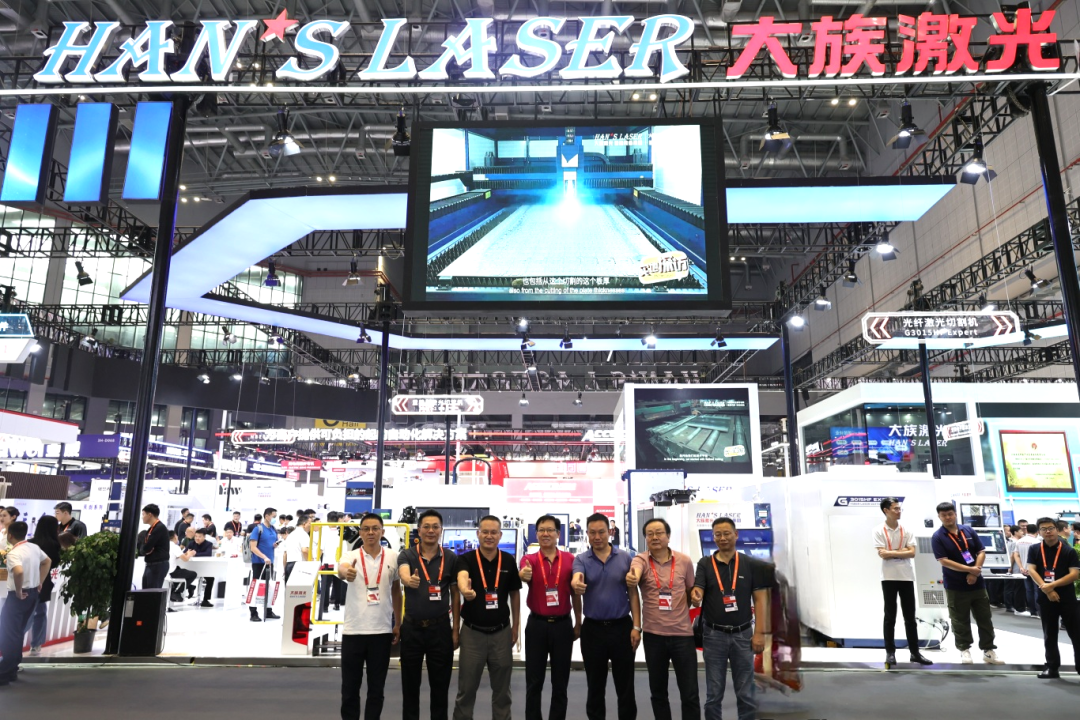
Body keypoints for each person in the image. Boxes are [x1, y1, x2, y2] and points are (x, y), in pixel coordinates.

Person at [691, 517, 773, 720]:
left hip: (743, 635)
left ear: (736, 535)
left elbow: (761, 600)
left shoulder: (751, 564)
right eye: (717, 534)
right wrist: (696, 595)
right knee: (713, 694)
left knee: (746, 693)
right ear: (713, 537)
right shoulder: (705, 563)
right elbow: (698, 587)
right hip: (713, 635)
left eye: (727, 533)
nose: (722, 538)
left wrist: (760, 633)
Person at [627, 518, 699, 720]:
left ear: (668, 536)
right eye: (650, 534)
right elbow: (635, 572)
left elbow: (690, 591)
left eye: (659, 532)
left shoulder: (684, 561)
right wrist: (633, 577)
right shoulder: (640, 560)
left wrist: (694, 598)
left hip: (682, 636)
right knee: (658, 692)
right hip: (654, 637)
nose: (655, 537)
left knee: (690, 693)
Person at [453, 515, 522, 720]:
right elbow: (462, 577)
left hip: (501, 633)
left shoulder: (508, 560)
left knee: (502, 691)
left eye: (493, 532)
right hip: (472, 633)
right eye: (485, 532)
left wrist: (515, 627)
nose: (489, 536)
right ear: (478, 534)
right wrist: (465, 590)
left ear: (500, 535)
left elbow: (515, 594)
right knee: (466, 689)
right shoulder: (466, 559)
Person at [573, 513, 639, 720]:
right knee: (595, 686)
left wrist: (637, 627)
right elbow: (577, 577)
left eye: (601, 532)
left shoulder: (625, 558)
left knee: (625, 685)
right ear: (587, 534)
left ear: (609, 532)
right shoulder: (581, 559)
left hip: (622, 628)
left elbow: (633, 594)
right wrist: (576, 583)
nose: (597, 537)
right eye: (592, 533)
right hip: (593, 630)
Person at [337, 513, 402, 720]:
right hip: (354, 631)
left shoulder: (393, 556)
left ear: (382, 531)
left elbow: (396, 591)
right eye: (366, 529)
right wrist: (346, 572)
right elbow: (341, 569)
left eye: (375, 528)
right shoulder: (350, 556)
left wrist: (398, 623)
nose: (371, 532)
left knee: (376, 689)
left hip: (381, 631)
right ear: (360, 532)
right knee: (350, 688)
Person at [398, 509, 460, 720]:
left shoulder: (450, 558)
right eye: (426, 526)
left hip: (440, 629)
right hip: (412, 629)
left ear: (441, 530)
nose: (431, 531)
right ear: (419, 530)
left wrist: (455, 630)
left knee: (440, 687)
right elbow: (403, 571)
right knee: (410, 687)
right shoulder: (408, 555)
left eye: (435, 527)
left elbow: (455, 595)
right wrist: (408, 580)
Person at [519, 515, 581, 720]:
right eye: (541, 530)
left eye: (550, 530)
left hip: (563, 626)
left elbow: (576, 594)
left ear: (558, 534)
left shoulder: (571, 560)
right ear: (536, 534)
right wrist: (523, 575)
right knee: (533, 681)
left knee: (560, 682)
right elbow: (523, 573)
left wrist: (578, 622)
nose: (545, 534)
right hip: (537, 625)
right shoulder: (529, 560)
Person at [930, 502, 1003, 664]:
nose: (948, 517)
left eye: (950, 514)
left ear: (955, 514)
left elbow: (981, 551)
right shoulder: (938, 537)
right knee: (959, 620)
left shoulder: (968, 530)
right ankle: (964, 650)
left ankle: (988, 650)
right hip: (955, 585)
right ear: (939, 517)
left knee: (985, 618)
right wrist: (969, 570)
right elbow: (944, 561)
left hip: (977, 584)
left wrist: (975, 571)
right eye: (944, 515)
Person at [872, 497, 932, 667]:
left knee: (910, 617)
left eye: (899, 509)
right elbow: (882, 554)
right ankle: (890, 653)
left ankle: (915, 652)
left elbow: (912, 553)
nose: (899, 511)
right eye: (895, 508)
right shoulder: (878, 530)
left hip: (906, 576)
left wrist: (891, 552)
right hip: (888, 577)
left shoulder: (907, 529)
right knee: (890, 616)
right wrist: (901, 551)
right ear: (886, 510)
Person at [1024, 517, 1080, 678]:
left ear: (1056, 529)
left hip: (1067, 597)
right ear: (1039, 532)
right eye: (1044, 529)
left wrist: (1052, 586)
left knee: (1076, 633)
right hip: (1045, 597)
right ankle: (1052, 667)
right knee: (1049, 633)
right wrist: (1047, 590)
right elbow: (1032, 570)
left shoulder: (1068, 550)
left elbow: (1074, 574)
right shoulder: (1034, 549)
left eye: (1051, 528)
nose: (1048, 531)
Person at [0, 522, 50, 685]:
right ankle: (11, 669)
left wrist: (18, 590)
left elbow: (19, 571)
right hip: (33, 594)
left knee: (9, 633)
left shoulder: (14, 553)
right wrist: (40, 581)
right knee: (17, 632)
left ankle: (5, 672)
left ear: (10, 535)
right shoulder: (34, 547)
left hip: (18, 597)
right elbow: (47, 561)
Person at [25, 515, 62, 656]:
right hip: (44, 581)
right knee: (39, 612)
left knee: (29, 612)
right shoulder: (53, 545)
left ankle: (15, 641)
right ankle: (36, 644)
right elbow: (54, 563)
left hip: (28, 580)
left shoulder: (30, 543)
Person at [248, 507, 280, 621]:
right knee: (256, 587)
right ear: (267, 516)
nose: (275, 519)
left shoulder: (273, 529)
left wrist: (275, 545)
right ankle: (253, 613)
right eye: (273, 516)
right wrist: (264, 557)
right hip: (259, 562)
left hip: (269, 562)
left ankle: (268, 611)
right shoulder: (258, 529)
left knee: (269, 587)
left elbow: (270, 543)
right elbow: (253, 547)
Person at [139, 503, 171, 589]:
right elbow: (145, 548)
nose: (142, 517)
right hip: (151, 564)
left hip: (158, 565)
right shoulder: (152, 528)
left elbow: (146, 548)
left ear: (150, 515)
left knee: (152, 593)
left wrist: (144, 549)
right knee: (146, 592)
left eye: (143, 514)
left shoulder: (159, 528)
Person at [1014, 523, 1042, 618]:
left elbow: (1016, 555)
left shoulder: (1019, 541)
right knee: (1037, 590)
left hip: (1024, 570)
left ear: (1027, 530)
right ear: (1037, 531)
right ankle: (1039, 612)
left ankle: (1032, 611)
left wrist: (1021, 567)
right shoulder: (1037, 542)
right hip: (1035, 570)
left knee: (1029, 591)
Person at [167, 530, 198, 603]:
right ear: (175, 536)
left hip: (164, 571)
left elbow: (176, 555)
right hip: (171, 572)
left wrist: (186, 553)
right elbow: (185, 559)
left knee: (180, 569)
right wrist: (190, 554)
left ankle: (189, 587)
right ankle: (176, 592)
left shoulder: (165, 545)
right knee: (193, 574)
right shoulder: (175, 547)